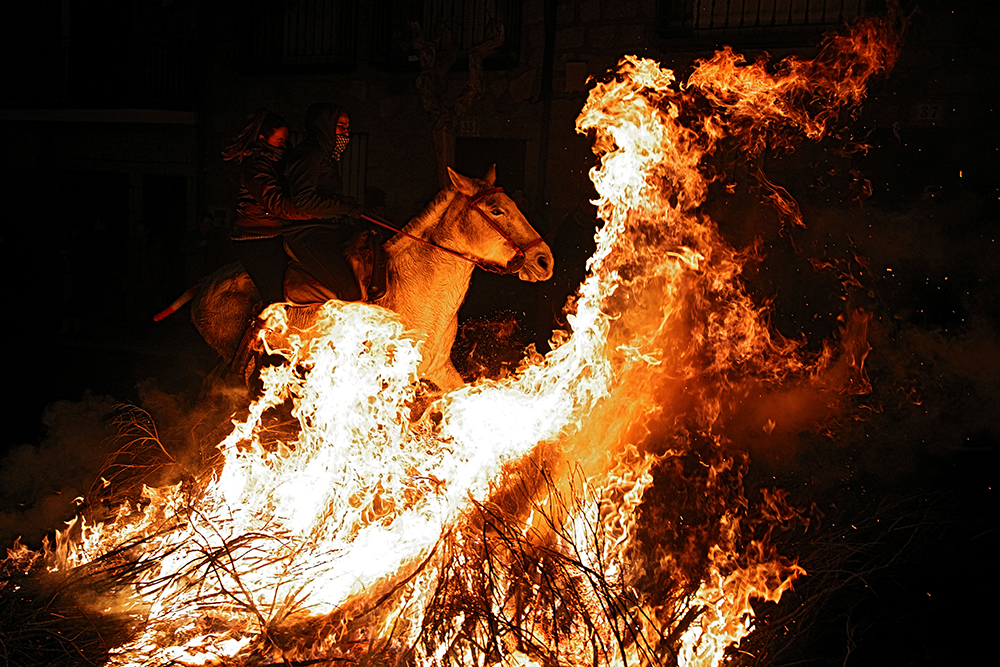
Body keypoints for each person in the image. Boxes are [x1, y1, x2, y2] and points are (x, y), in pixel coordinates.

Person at [284, 103, 370, 302]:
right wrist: (344, 207)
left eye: (347, 128)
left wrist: (347, 204)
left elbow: (325, 194)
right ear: (325, 125)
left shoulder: (325, 156)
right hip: (305, 234)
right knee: (349, 290)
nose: (346, 134)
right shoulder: (309, 155)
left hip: (326, 227)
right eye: (340, 127)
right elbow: (303, 201)